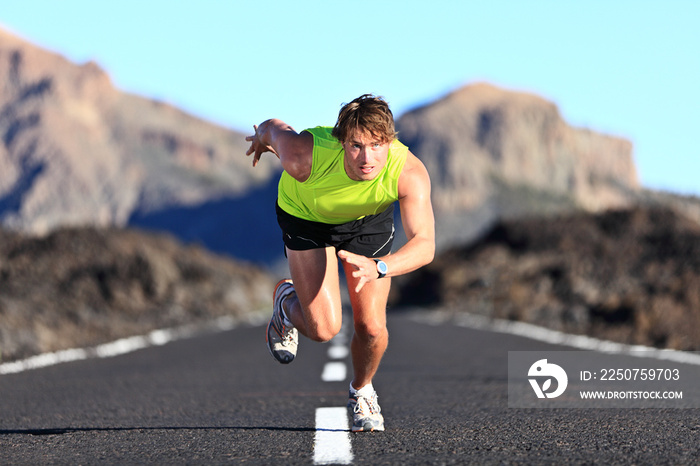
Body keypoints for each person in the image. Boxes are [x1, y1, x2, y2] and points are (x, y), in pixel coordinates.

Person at [245, 94, 435, 432]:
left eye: (377, 146)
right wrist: (261, 138)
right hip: (305, 216)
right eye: (356, 146)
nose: (367, 158)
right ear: (340, 141)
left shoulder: (408, 172)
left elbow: (425, 244)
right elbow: (276, 131)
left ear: (390, 142)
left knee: (372, 327)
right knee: (323, 329)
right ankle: (287, 304)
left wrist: (380, 267)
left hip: (368, 223)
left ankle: (362, 391)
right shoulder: (304, 156)